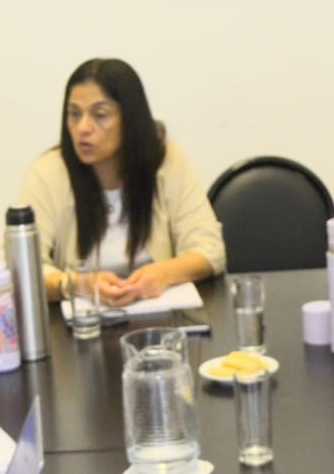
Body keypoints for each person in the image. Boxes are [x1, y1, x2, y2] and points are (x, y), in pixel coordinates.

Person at [15, 58, 226, 306]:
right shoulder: (48, 172)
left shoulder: (168, 161)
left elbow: (210, 250)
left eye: (100, 115)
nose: (83, 128)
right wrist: (75, 284)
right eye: (74, 114)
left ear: (130, 119)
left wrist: (162, 274)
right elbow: (21, 267)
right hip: (82, 321)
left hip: (157, 317)